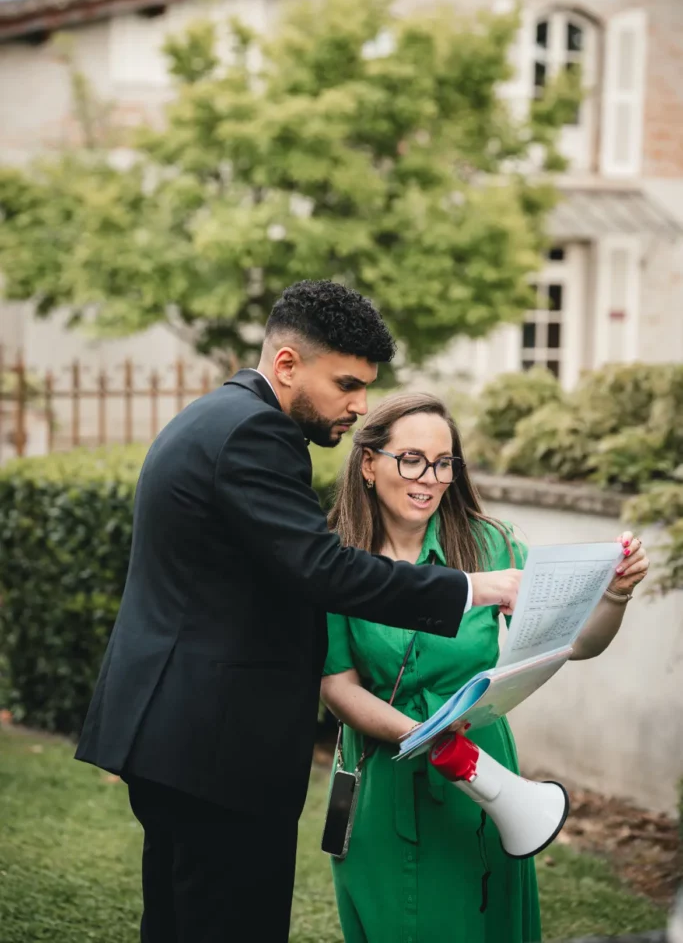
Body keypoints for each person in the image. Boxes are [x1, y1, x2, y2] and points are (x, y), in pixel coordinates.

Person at [74, 281, 523, 943]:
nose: (359, 406)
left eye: (366, 386)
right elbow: (323, 568)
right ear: (286, 365)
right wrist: (474, 589)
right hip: (214, 752)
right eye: (345, 384)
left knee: (177, 923)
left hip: (174, 738)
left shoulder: (211, 417)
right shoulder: (256, 432)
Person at [321, 391, 650, 943]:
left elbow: (576, 644)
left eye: (443, 462)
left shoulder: (489, 544)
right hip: (385, 770)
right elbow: (337, 685)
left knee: (484, 919)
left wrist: (615, 596)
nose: (429, 476)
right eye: (411, 459)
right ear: (369, 463)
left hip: (483, 770)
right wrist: (423, 734)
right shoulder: (335, 559)